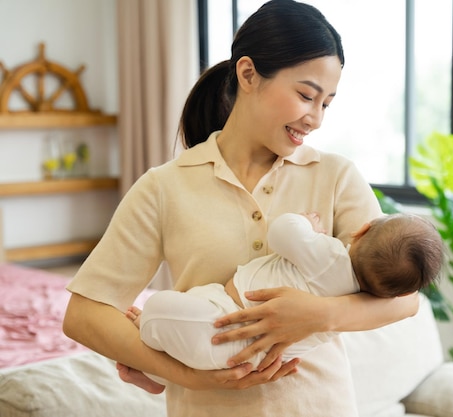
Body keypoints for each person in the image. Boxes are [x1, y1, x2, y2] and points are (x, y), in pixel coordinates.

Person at [63, 0, 422, 415]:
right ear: (248, 73)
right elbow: (85, 313)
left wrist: (318, 314)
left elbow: (404, 299)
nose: (316, 118)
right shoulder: (164, 187)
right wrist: (182, 375)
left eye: (326, 103)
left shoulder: (336, 177)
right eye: (307, 95)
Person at [124, 211, 443, 392]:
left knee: (157, 308)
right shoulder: (361, 303)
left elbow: (281, 232)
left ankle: (145, 332)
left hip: (225, 318)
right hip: (251, 356)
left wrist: (310, 227)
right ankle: (154, 375)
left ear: (361, 230)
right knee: (188, 339)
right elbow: (408, 302)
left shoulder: (329, 256)